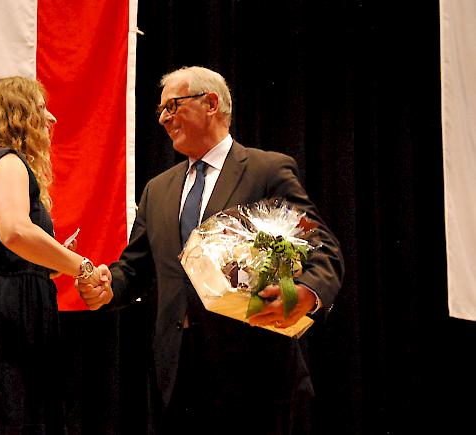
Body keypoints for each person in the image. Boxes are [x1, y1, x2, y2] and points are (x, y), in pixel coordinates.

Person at [77, 66, 344, 434]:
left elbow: (321, 244)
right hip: (176, 374)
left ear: (211, 103)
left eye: (172, 106)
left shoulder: (266, 169)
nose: (164, 118)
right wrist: (108, 286)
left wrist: (304, 292)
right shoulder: (158, 190)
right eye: (160, 111)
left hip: (255, 373)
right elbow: (135, 271)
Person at [0, 76, 106, 434]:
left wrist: (54, 262)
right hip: (0, 326)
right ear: (19, 115)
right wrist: (82, 266)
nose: (52, 120)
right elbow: (14, 231)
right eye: (43, 109)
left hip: (2, 317)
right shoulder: (8, 161)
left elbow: (11, 249)